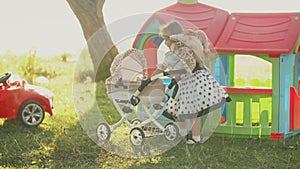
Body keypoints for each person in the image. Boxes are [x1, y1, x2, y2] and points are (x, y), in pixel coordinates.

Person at [152, 21, 231, 144]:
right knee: (183, 112)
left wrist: (151, 78)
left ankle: (195, 137)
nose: (165, 43)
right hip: (189, 82)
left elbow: (162, 67)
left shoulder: (177, 52)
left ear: (173, 38)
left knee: (191, 113)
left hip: (189, 84)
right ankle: (186, 135)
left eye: (166, 39)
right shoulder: (186, 49)